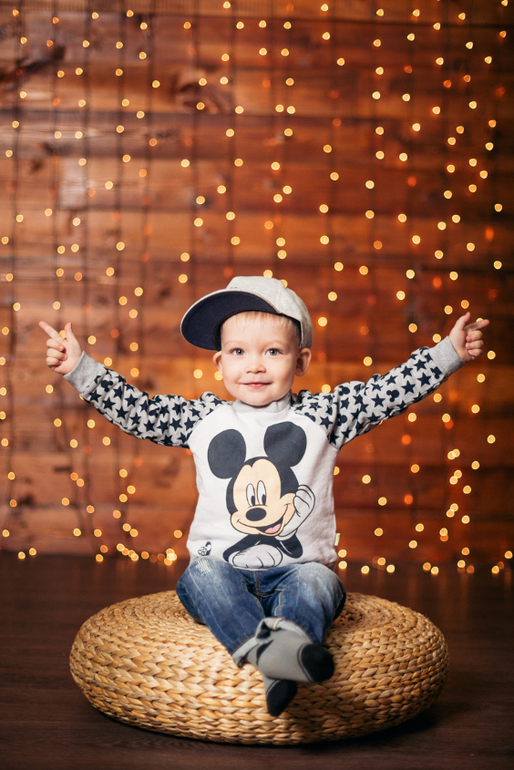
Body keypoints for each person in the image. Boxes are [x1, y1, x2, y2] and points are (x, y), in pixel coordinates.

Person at [40, 275, 489, 716]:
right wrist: (80, 368)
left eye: (272, 351)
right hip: (223, 570)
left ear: (300, 360)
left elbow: (387, 392)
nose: (254, 365)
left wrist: (449, 352)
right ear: (219, 364)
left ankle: (284, 645)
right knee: (199, 576)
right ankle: (272, 652)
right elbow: (140, 411)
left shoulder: (323, 415)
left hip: (299, 568)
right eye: (239, 352)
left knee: (319, 583)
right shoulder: (204, 419)